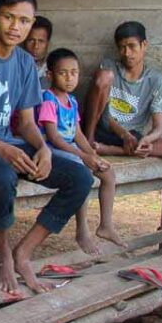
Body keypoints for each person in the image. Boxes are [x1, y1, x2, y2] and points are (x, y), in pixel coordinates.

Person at [0, 0, 93, 297]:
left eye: (24, 21)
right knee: (3, 176)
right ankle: (3, 255)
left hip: (9, 142)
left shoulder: (24, 64)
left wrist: (43, 148)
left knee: (80, 177)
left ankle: (24, 253)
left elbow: (26, 122)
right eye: (9, 17)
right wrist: (0, 147)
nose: (15, 27)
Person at [38, 48, 124, 253]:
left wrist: (93, 156)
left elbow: (78, 135)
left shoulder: (72, 101)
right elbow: (54, 138)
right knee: (82, 173)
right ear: (50, 75)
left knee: (108, 174)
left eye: (74, 72)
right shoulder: (48, 100)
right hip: (53, 150)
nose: (69, 78)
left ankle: (106, 225)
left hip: (72, 149)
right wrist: (83, 156)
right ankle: (82, 231)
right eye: (63, 73)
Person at [83, 21, 162, 158]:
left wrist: (147, 140)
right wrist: (123, 134)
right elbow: (104, 115)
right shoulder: (109, 67)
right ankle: (89, 141)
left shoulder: (157, 81)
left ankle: (108, 150)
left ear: (144, 45)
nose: (127, 53)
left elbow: (158, 128)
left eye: (132, 46)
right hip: (103, 130)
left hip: (132, 139)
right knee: (104, 76)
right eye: (122, 47)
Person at [23, 15, 53, 90]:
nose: (36, 46)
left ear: (48, 43)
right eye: (31, 40)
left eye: (41, 41)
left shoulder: (54, 67)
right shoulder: (15, 64)